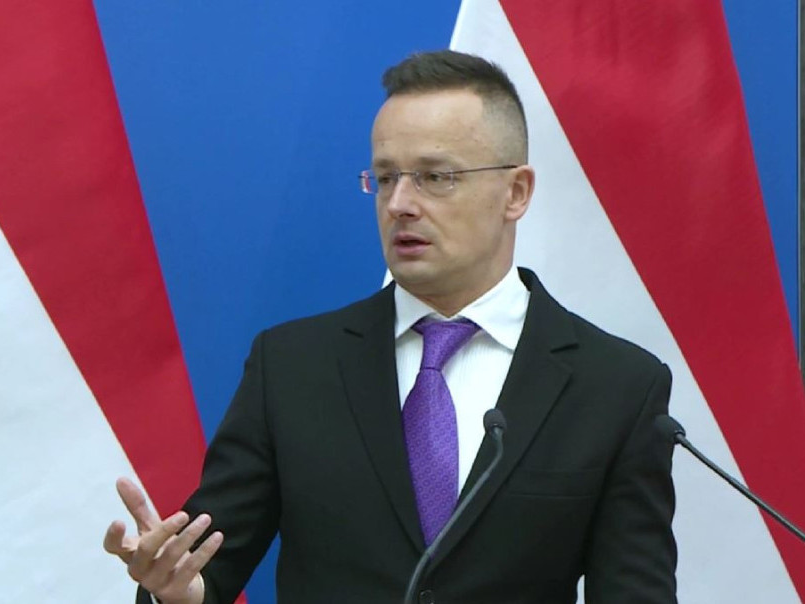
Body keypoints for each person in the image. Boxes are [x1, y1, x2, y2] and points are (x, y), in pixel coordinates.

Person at [104, 50, 677, 604]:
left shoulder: (617, 386)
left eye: (435, 177)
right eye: (385, 177)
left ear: (516, 192)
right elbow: (206, 568)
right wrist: (175, 593)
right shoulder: (291, 367)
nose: (400, 203)